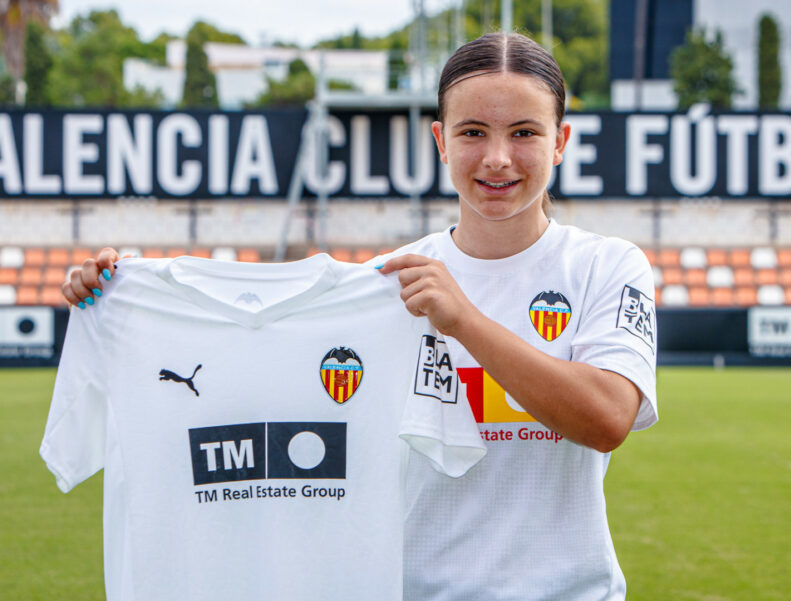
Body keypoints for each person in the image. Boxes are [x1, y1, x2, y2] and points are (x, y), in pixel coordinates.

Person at [63, 32, 657, 601]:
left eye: (524, 132)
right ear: (440, 141)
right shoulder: (384, 287)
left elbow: (606, 418)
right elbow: (257, 381)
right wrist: (120, 298)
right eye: (472, 131)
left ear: (560, 141)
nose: (497, 158)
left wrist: (464, 321)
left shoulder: (606, 266)